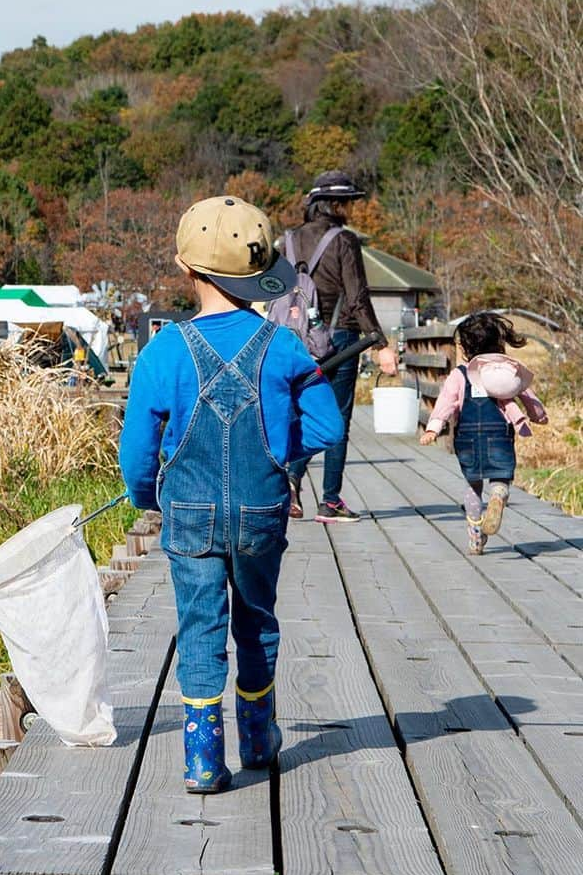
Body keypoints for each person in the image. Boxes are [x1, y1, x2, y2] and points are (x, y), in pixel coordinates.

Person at [118, 195, 344, 793]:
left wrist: (148, 496)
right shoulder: (286, 346)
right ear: (259, 273)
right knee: (257, 622)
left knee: (199, 626)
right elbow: (328, 428)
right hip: (262, 510)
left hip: (188, 515)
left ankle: (202, 760)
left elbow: (138, 456)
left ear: (185, 268)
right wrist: (282, 460)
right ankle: (259, 738)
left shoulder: (161, 351)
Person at [284, 170, 398, 524]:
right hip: (339, 341)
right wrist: (380, 344)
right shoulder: (344, 240)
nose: (351, 208)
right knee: (337, 419)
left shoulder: (287, 240)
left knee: (301, 413)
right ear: (335, 204)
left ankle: (291, 478)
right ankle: (330, 501)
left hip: (295, 340)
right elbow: (357, 296)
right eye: (348, 202)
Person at [419, 312, 547, 554]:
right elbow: (527, 394)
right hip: (499, 433)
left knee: (473, 484)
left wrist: (434, 427)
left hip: (467, 436)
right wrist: (538, 415)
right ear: (498, 344)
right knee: (500, 475)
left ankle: (475, 535)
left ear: (465, 347)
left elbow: (446, 402)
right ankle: (498, 494)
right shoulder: (506, 372)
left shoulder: (459, 374)